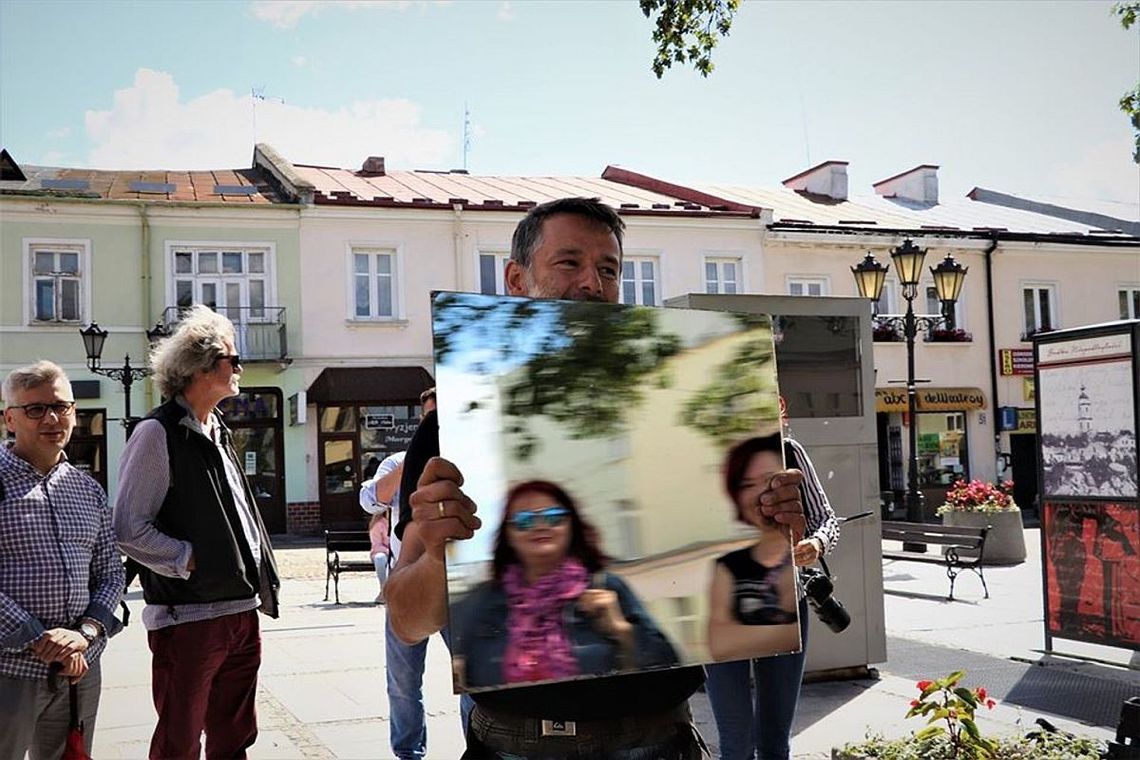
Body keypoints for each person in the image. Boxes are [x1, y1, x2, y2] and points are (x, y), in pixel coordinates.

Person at [385, 196, 809, 759]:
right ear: (516, 278)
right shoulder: (455, 430)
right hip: (519, 745)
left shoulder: (663, 411)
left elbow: (724, 606)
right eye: (569, 263)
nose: (593, 283)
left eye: (609, 269)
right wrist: (438, 551)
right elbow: (409, 623)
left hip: (664, 739)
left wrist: (771, 530)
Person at [114, 304, 280, 760]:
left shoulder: (219, 430)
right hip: (188, 619)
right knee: (179, 744)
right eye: (233, 359)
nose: (240, 368)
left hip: (241, 610)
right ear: (201, 367)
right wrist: (190, 559)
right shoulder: (157, 433)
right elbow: (128, 528)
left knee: (234, 740)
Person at [0, 360, 125, 759]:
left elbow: (110, 571)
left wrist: (85, 635)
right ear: (9, 419)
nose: (52, 418)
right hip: (9, 671)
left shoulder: (87, 488)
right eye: (35, 409)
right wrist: (39, 638)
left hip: (79, 670)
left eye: (62, 407)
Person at [453, 480, 678, 691]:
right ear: (508, 535)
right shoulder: (485, 601)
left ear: (572, 526)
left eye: (553, 517)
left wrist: (622, 630)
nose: (540, 526)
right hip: (509, 730)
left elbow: (670, 667)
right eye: (525, 520)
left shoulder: (606, 586)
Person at [704, 434, 839, 760]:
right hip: (722, 609)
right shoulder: (707, 450)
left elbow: (826, 518)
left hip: (784, 603)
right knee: (735, 745)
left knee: (775, 744)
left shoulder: (789, 450)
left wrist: (816, 544)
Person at [360, 388, 454, 760]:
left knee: (470, 677)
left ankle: (475, 744)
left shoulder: (460, 458)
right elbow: (369, 500)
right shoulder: (397, 461)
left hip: (457, 584)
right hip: (408, 585)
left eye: (439, 418)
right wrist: (415, 457)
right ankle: (408, 752)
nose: (433, 426)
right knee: (402, 681)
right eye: (427, 419)